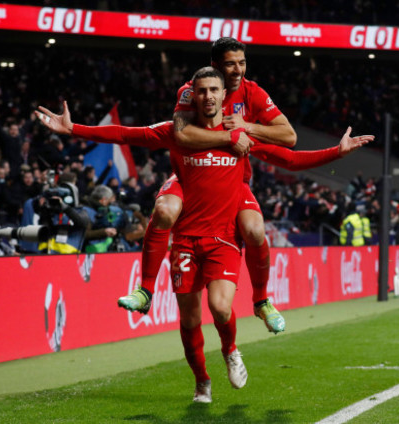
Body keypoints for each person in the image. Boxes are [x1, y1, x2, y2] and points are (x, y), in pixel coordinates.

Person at [38, 67, 370, 402]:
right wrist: (73, 129)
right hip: (185, 242)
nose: (208, 96)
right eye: (202, 91)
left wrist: (336, 153)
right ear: (191, 95)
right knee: (190, 320)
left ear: (225, 96)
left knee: (221, 309)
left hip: (223, 240)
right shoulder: (177, 133)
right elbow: (124, 133)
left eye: (214, 90)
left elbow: (291, 159)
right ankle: (201, 380)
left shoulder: (242, 137)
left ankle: (231, 350)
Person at [121, 37, 298, 334]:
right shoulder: (192, 91)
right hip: (191, 176)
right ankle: (146, 290)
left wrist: (246, 126)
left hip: (233, 179)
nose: (238, 70)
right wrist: (229, 137)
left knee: (255, 230)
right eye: (230, 63)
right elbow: (182, 136)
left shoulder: (252, 92)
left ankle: (262, 301)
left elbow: (289, 137)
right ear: (215, 66)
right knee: (164, 211)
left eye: (242, 62)